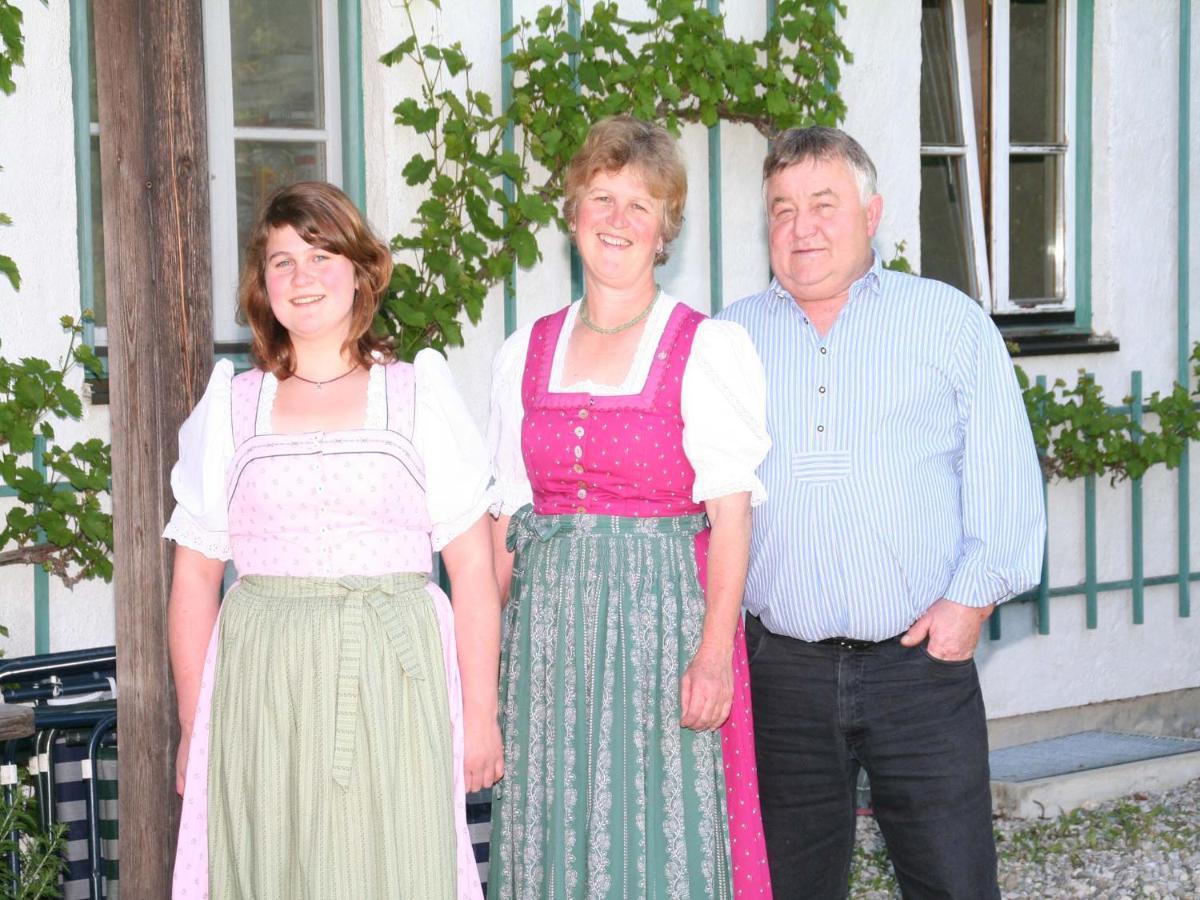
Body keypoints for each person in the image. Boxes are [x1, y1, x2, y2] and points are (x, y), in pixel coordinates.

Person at [716, 126, 1046, 899]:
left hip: (919, 669)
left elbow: (1005, 477)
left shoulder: (947, 321)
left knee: (953, 881)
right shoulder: (729, 338)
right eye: (783, 209)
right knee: (788, 886)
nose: (802, 228)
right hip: (781, 673)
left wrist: (971, 601)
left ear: (872, 214)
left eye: (824, 204)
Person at [164, 181, 502, 899]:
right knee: (272, 865)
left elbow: (472, 571)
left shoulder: (419, 394)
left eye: (321, 255)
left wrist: (480, 717)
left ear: (360, 269)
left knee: (395, 864)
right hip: (264, 690)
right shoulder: (231, 407)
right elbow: (194, 578)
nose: (302, 277)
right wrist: (196, 722)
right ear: (263, 286)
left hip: (392, 681)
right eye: (282, 262)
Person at [486, 115, 774, 899]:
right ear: (573, 215)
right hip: (544, 643)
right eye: (601, 199)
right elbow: (504, 528)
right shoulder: (524, 351)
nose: (616, 220)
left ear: (663, 231)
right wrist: (480, 671)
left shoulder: (704, 348)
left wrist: (716, 652)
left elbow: (733, 516)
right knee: (553, 831)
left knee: (656, 838)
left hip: (659, 632)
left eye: (638, 206)